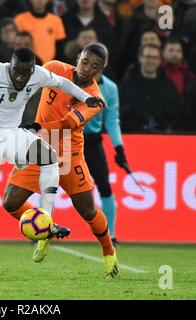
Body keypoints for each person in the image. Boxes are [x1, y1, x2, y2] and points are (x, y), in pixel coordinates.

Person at [0, 47, 107, 278]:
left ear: (32, 70)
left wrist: (86, 97)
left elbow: (63, 84)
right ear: (10, 67)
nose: (21, 78)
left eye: (26, 73)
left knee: (50, 156)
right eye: (17, 72)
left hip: (11, 134)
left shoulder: (39, 74)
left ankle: (46, 220)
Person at [3, 44, 118, 279]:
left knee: (87, 210)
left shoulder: (95, 99)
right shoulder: (54, 68)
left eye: (95, 66)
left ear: (102, 69)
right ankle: (46, 228)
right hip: (39, 149)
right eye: (85, 62)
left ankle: (109, 252)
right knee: (10, 202)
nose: (87, 69)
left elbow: (67, 124)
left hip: (68, 154)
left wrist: (36, 127)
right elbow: (26, 84)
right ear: (78, 58)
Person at [83, 68, 127, 245]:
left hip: (93, 142)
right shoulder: (69, 81)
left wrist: (119, 147)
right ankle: (44, 232)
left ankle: (111, 235)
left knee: (105, 187)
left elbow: (112, 119)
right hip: (67, 139)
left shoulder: (110, 88)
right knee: (51, 183)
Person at [120, 44, 180, 132]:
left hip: (162, 134)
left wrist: (160, 109)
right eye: (148, 57)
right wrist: (134, 108)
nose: (151, 61)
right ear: (140, 58)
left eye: (155, 57)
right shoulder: (127, 84)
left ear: (160, 60)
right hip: (132, 134)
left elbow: (176, 111)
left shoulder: (168, 85)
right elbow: (118, 110)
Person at [14, 0, 66, 64]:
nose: (39, 1)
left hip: (50, 66)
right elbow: (14, 45)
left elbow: (60, 48)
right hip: (26, 63)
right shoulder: (19, 20)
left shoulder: (56, 21)